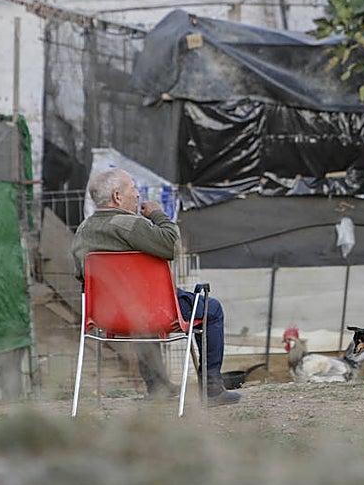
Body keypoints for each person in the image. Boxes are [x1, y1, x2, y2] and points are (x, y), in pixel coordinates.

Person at [71, 167, 240, 406]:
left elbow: (81, 276)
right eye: (133, 189)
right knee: (211, 309)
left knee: (137, 308)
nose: (138, 195)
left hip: (106, 316)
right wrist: (159, 215)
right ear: (118, 196)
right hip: (155, 310)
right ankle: (212, 388)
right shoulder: (129, 224)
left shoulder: (82, 231)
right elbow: (170, 247)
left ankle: (157, 386)